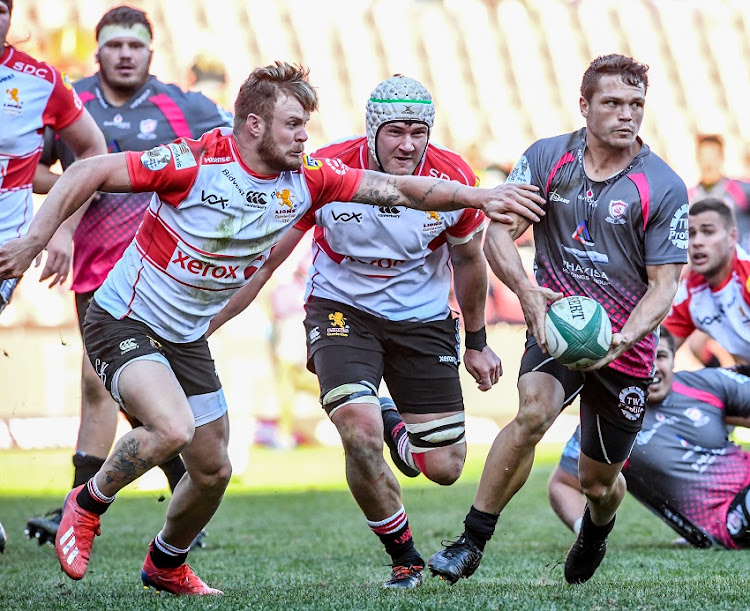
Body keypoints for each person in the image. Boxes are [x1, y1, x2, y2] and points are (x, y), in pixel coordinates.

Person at [0, 61, 545, 595]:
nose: (305, 137)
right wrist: (33, 240)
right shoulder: (196, 161)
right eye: (294, 125)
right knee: (172, 428)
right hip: (127, 316)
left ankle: (166, 563)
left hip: (190, 335)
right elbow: (88, 169)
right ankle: (87, 503)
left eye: (307, 125)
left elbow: (400, 191)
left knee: (213, 472)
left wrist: (478, 196)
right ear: (255, 124)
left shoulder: (310, 179)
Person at [207, 75, 503, 588]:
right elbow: (268, 258)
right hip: (342, 310)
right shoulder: (329, 168)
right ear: (372, 131)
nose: (407, 144)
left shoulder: (452, 176)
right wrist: (208, 322)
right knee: (357, 433)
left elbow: (470, 260)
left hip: (423, 320)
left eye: (417, 132)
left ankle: (391, 419)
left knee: (445, 466)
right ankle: (405, 558)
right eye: (394, 132)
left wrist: (475, 342)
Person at [428, 54, 688, 585]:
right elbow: (496, 237)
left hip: (625, 345)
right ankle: (471, 540)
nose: (627, 115)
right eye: (613, 103)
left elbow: (664, 286)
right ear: (584, 105)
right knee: (532, 410)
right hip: (557, 322)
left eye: (636, 104)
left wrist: (623, 338)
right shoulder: (546, 160)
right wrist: (527, 292)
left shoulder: (663, 185)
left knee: (597, 481)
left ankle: (597, 527)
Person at [25, 5, 233, 547]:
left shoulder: (184, 105)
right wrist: (68, 220)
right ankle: (103, 497)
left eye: (134, 46)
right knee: (103, 388)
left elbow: (241, 153)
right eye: (114, 45)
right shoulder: (75, 101)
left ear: (150, 52)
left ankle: (106, 497)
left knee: (122, 387)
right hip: (98, 269)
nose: (124, 55)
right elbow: (37, 170)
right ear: (98, 51)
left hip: (167, 275)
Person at [549, 329, 750, 550]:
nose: (652, 367)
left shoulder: (704, 383)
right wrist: (588, 536)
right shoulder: (608, 421)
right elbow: (562, 484)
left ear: (674, 359)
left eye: (661, 356)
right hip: (726, 522)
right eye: (641, 357)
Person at [663, 198, 750, 364]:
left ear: (732, 237)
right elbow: (661, 349)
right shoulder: (690, 290)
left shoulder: (747, 276)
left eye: (708, 232)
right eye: (691, 234)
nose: (697, 242)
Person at [690, 134, 750, 250]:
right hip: (705, 265)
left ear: (722, 157)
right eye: (704, 157)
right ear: (697, 159)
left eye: (713, 157)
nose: (709, 163)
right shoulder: (689, 197)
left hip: (739, 264)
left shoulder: (741, 190)